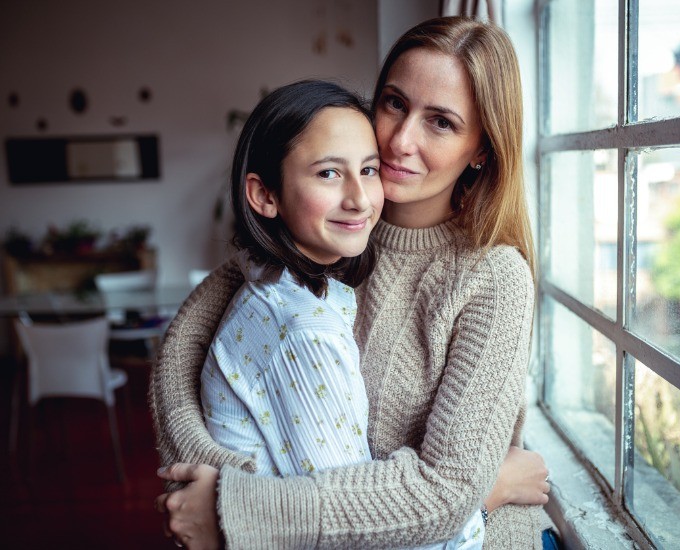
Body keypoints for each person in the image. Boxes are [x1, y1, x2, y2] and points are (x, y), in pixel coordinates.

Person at [152, 15, 548, 549]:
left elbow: (447, 493)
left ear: (481, 147)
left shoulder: (493, 277)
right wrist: (228, 493)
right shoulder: (329, 225)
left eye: (442, 123)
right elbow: (181, 352)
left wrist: (244, 511)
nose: (400, 141)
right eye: (394, 103)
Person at [199, 78, 485, 549]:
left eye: (369, 170)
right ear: (264, 195)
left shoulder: (275, 286)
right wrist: (484, 498)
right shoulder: (304, 332)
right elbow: (359, 532)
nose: (359, 198)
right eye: (329, 174)